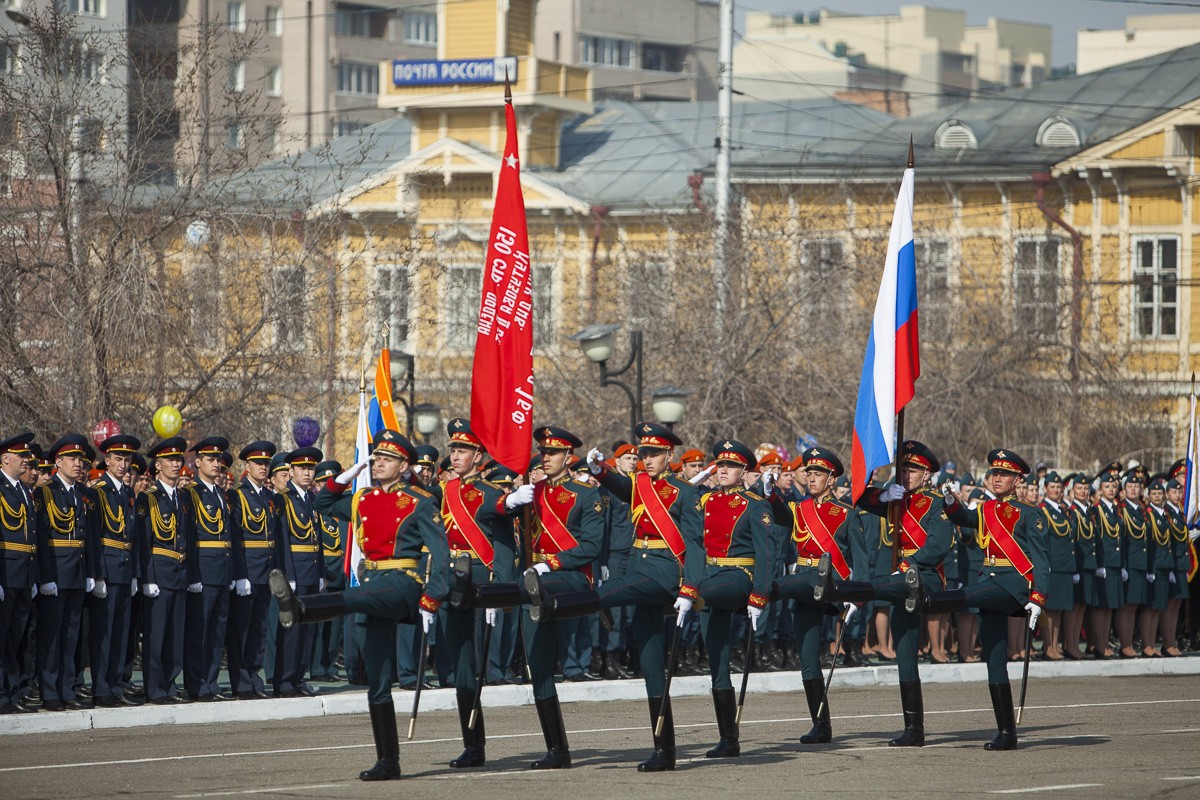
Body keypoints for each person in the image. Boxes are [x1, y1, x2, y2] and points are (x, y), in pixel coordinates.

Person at [273, 429, 448, 782]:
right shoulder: (363, 499)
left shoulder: (419, 500)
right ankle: (388, 761)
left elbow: (441, 554)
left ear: (403, 466)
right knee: (378, 681)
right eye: (375, 458)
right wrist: (345, 477)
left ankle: (302, 608)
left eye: (387, 458)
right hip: (372, 585)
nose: (378, 462)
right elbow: (322, 504)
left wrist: (432, 597)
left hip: (403, 583)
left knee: (353, 599)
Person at [535, 422, 707, 770]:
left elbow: (695, 547)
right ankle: (665, 751)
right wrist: (599, 470)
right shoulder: (639, 485)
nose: (648, 459)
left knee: (608, 592)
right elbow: (619, 485)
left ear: (669, 455)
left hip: (663, 573)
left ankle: (559, 604)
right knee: (651, 664)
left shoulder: (685, 493)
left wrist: (690, 589)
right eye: (643, 453)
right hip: (638, 567)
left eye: (654, 453)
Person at [816, 440, 953, 747]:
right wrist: (881, 493)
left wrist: (907, 564)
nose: (906, 474)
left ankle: (849, 591)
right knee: (905, 654)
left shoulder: (935, 503)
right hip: (898, 581)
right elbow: (858, 498)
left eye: (913, 469)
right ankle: (914, 730)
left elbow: (938, 546)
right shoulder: (896, 498)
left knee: (881, 588)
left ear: (928, 473)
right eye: (903, 468)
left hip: (924, 576)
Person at [918, 449, 1049, 750]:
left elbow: (1042, 561)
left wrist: (1039, 597)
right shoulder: (985, 509)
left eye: (1005, 474)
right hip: (989, 583)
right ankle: (1007, 733)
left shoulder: (1030, 513)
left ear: (1018, 481)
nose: (998, 478)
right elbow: (963, 518)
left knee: (967, 596)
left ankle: (928, 600)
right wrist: (950, 500)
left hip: (1014, 584)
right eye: (995, 474)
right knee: (994, 660)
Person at [674, 439, 773, 758]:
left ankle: (686, 599)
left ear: (745, 471)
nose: (725, 469)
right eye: (721, 465)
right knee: (717, 663)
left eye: (732, 465)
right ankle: (728, 739)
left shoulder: (755, 504)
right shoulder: (703, 501)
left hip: (737, 578)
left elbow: (766, 555)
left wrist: (759, 596)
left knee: (705, 597)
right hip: (707, 581)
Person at [437, 418, 523, 768]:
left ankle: (477, 744)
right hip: (450, 582)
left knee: (475, 666)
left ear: (478, 456)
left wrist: (498, 588)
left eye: (462, 450)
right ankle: (471, 745)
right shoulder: (445, 492)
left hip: (478, 584)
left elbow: (504, 541)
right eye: (453, 450)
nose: (455, 456)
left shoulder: (488, 493)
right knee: (461, 667)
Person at [769, 446, 861, 745]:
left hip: (827, 583)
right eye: (809, 472)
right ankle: (821, 726)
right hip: (803, 585)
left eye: (818, 473)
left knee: (776, 587)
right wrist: (771, 493)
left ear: (831, 479)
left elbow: (859, 560)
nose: (811, 478)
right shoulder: (798, 509)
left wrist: (855, 595)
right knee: (808, 658)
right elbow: (781, 515)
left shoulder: (846, 514)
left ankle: (763, 590)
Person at [136, 437, 198, 705]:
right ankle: (155, 688)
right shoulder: (148, 497)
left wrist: (192, 576)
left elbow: (189, 538)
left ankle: (170, 684)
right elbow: (144, 541)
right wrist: (147, 579)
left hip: (180, 572)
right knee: (156, 635)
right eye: (170, 461)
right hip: (159, 573)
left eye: (179, 460)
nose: (176, 464)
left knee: (175, 635)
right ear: (157, 466)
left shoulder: (183, 497)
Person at [88, 434, 142, 707]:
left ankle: (114, 685)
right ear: (106, 461)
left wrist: (134, 573)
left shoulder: (126, 492)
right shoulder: (98, 491)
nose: (123, 464)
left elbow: (131, 536)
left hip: (123, 567)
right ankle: (101, 688)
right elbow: (96, 537)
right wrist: (97, 575)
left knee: (121, 631)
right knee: (105, 632)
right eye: (118, 459)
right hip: (107, 569)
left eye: (127, 459)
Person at [225, 441, 278, 700]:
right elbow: (235, 538)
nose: (263, 468)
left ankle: (255, 678)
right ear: (247, 466)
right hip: (248, 569)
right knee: (242, 630)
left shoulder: (268, 497)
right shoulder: (238, 495)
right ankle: (242, 682)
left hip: (266, 571)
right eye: (258, 464)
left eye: (266, 464)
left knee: (259, 629)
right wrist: (240, 574)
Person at [184, 437, 235, 702]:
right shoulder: (191, 494)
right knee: (199, 632)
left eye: (219, 460)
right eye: (211, 460)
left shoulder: (221, 495)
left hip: (222, 571)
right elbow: (189, 539)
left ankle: (211, 683)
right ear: (198, 463)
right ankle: (197, 684)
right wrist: (192, 575)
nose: (217, 464)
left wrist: (233, 573)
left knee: (217, 632)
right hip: (203, 571)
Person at [272, 447, 324, 698]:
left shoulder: (312, 498)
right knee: (291, 631)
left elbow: (318, 539)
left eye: (310, 468)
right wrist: (288, 575)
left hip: (312, 571)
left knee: (308, 630)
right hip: (295, 572)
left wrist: (321, 572)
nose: (307, 472)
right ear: (290, 471)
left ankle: (299, 678)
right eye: (302, 468)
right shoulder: (283, 498)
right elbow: (283, 539)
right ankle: (284, 682)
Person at [0, 433, 38, 714]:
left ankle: (12, 692)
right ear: (5, 458)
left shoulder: (24, 490)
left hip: (24, 575)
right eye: (20, 456)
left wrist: (34, 577)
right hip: (6, 574)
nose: (25, 460)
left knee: (15, 638)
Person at [310, 460, 346, 683]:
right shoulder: (315, 509)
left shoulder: (343, 509)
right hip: (324, 573)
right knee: (319, 625)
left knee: (335, 627)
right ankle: (316, 667)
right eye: (323, 482)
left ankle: (329, 665)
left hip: (341, 574)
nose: (326, 486)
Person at [1038, 471, 1075, 660]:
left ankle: (1055, 644)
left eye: (1059, 488)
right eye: (1052, 487)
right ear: (1045, 489)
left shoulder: (1061, 510)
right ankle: (1048, 646)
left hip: (1064, 565)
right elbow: (1042, 540)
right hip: (1052, 564)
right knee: (1050, 609)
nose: (1056, 490)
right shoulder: (1043, 510)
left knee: (1059, 608)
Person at [1089, 469, 1125, 659]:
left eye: (1114, 486)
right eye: (1107, 487)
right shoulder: (1096, 510)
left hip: (1115, 564)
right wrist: (1098, 564)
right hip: (1103, 564)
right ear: (1100, 490)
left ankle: (1105, 642)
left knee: (1109, 606)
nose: (1111, 490)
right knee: (1100, 606)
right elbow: (1095, 538)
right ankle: (1099, 644)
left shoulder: (1116, 509)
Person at [1116, 467, 1150, 658]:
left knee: (1135, 605)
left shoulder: (1142, 509)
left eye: (1136, 486)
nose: (1133, 489)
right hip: (1129, 563)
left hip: (1141, 563)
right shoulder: (1122, 509)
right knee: (1127, 606)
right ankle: (1125, 643)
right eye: (1130, 486)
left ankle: (1130, 643)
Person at [1142, 477, 1173, 657]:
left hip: (1164, 565)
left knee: (1158, 607)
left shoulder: (1163, 514)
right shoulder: (1149, 514)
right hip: (1154, 566)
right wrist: (1150, 569)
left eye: (1159, 493)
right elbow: (1150, 544)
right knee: (1150, 608)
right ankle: (1147, 644)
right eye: (1153, 493)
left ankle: (1152, 643)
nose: (1157, 496)